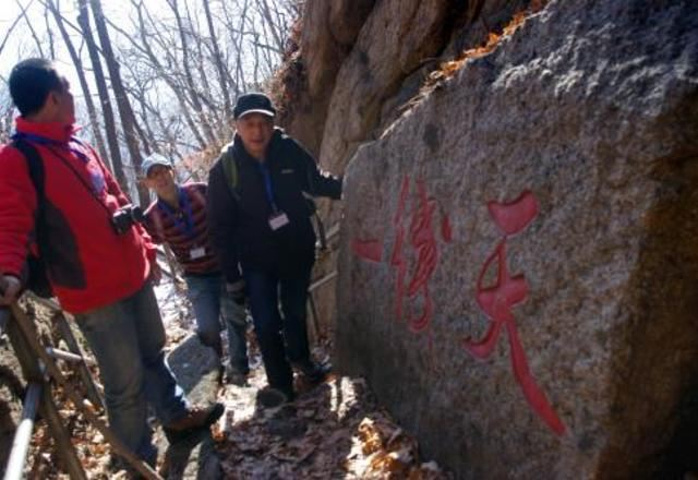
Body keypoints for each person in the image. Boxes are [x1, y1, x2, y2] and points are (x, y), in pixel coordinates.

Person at [0, 59, 222, 467]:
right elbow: (9, 222)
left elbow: (116, 199)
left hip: (131, 274)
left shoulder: (79, 145)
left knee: (154, 352)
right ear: (52, 97)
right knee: (124, 381)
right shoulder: (18, 159)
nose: (73, 96)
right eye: (67, 89)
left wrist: (144, 246)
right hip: (92, 292)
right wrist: (9, 272)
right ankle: (135, 458)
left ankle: (175, 417)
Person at [207, 92, 342, 405]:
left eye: (264, 123)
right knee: (267, 323)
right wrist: (232, 277)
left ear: (273, 123)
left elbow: (316, 180)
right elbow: (220, 229)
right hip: (256, 260)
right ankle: (281, 384)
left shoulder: (287, 149)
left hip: (296, 247)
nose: (258, 131)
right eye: (249, 123)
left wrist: (349, 185)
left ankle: (302, 361)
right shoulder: (224, 170)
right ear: (237, 126)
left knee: (295, 312)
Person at [141, 153, 250, 385]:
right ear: (148, 184)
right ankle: (214, 368)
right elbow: (143, 243)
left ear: (172, 171)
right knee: (208, 328)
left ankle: (239, 368)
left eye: (162, 171)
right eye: (153, 176)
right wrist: (149, 263)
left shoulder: (200, 192)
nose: (160, 178)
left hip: (225, 267)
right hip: (197, 277)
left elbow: (229, 212)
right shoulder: (153, 217)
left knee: (235, 317)